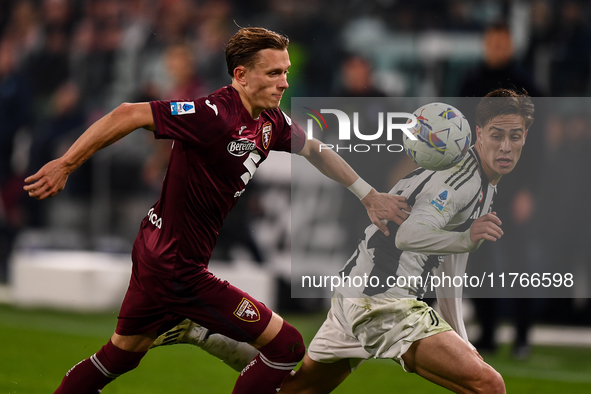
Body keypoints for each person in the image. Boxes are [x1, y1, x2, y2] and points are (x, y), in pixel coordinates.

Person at [23, 27, 409, 394]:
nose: (285, 82)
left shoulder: (270, 121)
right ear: (241, 75)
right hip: (177, 268)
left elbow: (315, 150)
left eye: (286, 72)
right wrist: (67, 164)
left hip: (159, 249)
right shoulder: (212, 115)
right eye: (274, 73)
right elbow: (127, 112)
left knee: (120, 356)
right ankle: (192, 326)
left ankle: (183, 328)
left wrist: (368, 194)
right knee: (287, 346)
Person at [155, 88, 534, 393]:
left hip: (360, 289)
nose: (505, 146)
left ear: (525, 138)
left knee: (294, 388)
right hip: (384, 300)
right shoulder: (461, 180)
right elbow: (409, 234)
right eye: (497, 135)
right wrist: (467, 238)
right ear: (478, 133)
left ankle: (199, 332)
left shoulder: (483, 185)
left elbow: (451, 270)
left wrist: (461, 339)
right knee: (489, 385)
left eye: (514, 136)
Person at [460, 21, 543, 358]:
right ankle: (489, 331)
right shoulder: (470, 83)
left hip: (514, 186)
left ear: (510, 45)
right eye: (491, 43)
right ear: (485, 44)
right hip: (477, 185)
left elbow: (538, 147)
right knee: (476, 260)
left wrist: (530, 190)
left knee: (517, 262)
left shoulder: (527, 87)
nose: (496, 49)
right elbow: (461, 135)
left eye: (502, 43)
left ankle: (522, 335)